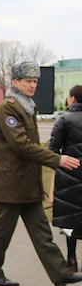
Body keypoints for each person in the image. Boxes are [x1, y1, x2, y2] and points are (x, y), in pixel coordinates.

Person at [0, 61, 82, 286]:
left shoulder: (26, 106)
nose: (32, 85)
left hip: (27, 182)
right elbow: (21, 145)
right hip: (13, 182)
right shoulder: (9, 109)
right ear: (15, 82)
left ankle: (60, 272)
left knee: (41, 232)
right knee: (1, 231)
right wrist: (57, 159)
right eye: (28, 81)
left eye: (35, 81)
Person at [49, 85, 82, 271]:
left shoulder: (64, 120)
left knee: (71, 220)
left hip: (70, 175)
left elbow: (53, 150)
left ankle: (71, 259)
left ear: (73, 99)